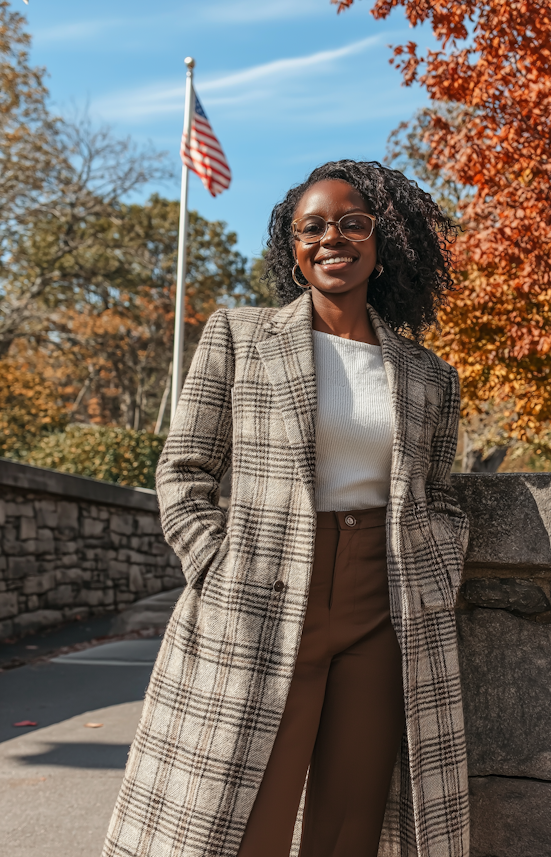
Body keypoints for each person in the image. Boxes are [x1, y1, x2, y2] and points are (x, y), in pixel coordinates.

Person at [102, 160, 470, 857]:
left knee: (351, 823)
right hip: (263, 596)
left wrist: (437, 575)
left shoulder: (429, 375)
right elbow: (184, 469)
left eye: (353, 222)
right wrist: (218, 563)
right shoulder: (241, 336)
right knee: (240, 814)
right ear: (293, 248)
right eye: (313, 227)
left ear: (383, 240)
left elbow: (442, 496)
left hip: (382, 606)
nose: (333, 237)